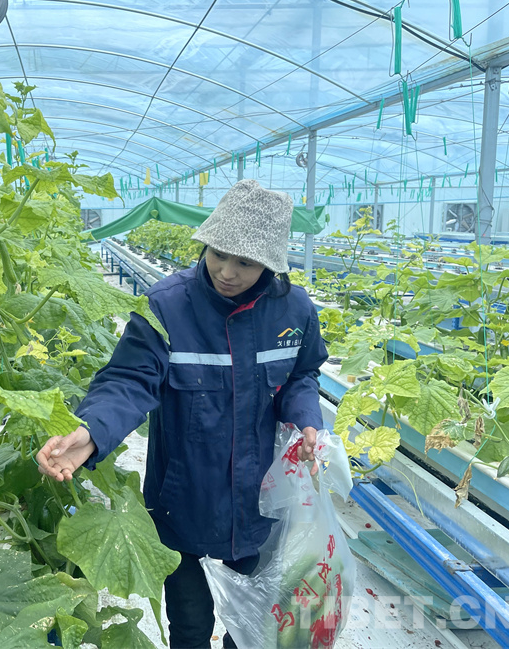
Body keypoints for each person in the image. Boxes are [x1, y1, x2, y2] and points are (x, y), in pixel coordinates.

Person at [36, 179, 327, 649]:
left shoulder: (292, 311)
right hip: (182, 500)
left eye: (245, 262)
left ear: (270, 264)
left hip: (257, 503)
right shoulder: (168, 305)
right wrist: (92, 433)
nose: (226, 271)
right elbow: (130, 379)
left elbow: (302, 374)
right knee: (190, 625)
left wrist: (306, 418)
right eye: (218, 253)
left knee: (250, 623)